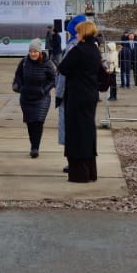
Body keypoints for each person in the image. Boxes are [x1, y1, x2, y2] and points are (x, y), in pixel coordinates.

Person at [58, 18, 102, 183]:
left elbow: (62, 68)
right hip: (90, 94)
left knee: (76, 132)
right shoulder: (95, 49)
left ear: (83, 33)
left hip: (77, 95)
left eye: (77, 32)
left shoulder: (78, 50)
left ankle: (79, 173)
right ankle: (91, 172)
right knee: (88, 130)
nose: (75, 34)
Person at [14, 38, 57, 158]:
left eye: (35, 51)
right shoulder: (24, 62)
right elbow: (18, 76)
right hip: (26, 97)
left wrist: (44, 90)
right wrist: (19, 87)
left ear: (39, 52)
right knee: (30, 123)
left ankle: (35, 148)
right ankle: (33, 144)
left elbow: (54, 79)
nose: (33, 54)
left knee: (38, 122)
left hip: (41, 98)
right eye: (31, 51)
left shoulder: (47, 63)